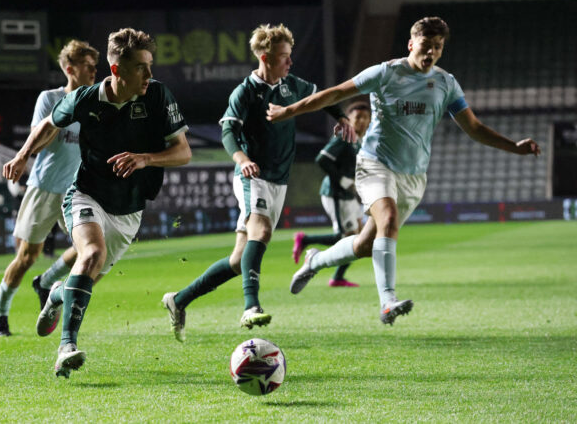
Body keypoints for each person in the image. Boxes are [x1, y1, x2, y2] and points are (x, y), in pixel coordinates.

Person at [268, 17, 540, 325]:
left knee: (364, 245)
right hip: (375, 163)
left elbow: (474, 128)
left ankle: (315, 260)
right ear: (411, 44)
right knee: (388, 218)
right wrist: (288, 111)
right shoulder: (385, 73)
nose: (431, 52)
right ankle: (388, 303)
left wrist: (514, 147)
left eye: (438, 47)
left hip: (413, 177)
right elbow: (334, 93)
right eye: (426, 45)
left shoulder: (446, 83)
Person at [3, 28, 191, 377]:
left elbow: (183, 152)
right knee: (91, 254)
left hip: (130, 209)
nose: (149, 74)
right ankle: (66, 348)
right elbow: (48, 124)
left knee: (87, 278)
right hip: (86, 193)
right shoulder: (85, 99)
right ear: (117, 70)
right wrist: (23, 155)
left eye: (150, 65)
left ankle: (56, 294)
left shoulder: (158, 95)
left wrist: (146, 159)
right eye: (141, 67)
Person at [161, 24, 354, 342]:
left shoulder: (291, 84)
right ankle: (251, 306)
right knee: (260, 232)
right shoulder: (245, 92)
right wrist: (242, 160)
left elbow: (321, 96)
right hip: (253, 176)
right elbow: (228, 131)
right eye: (284, 57)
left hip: (278, 181)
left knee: (239, 261)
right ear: (265, 57)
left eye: (290, 55)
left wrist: (342, 117)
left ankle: (178, 300)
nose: (290, 62)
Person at [0, 39, 99, 337]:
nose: (94, 71)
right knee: (27, 257)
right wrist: (64, 114)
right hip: (44, 187)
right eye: (87, 66)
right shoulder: (49, 99)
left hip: (76, 191)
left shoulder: (94, 102)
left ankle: (47, 281)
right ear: (69, 69)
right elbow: (38, 143)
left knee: (89, 249)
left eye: (95, 66)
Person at [292, 101, 371, 287]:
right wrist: (343, 180)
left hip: (348, 195)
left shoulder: (359, 141)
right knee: (346, 237)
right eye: (357, 117)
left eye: (365, 118)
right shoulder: (344, 137)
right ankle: (305, 240)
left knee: (360, 237)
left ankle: (338, 277)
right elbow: (322, 159)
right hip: (334, 193)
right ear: (348, 119)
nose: (361, 121)